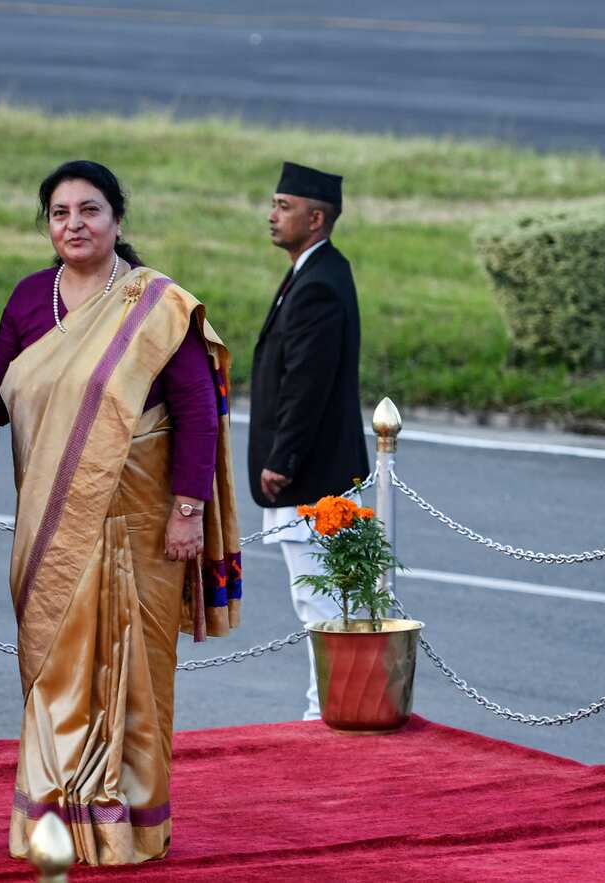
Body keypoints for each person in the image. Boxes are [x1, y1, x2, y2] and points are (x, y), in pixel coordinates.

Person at [0, 161, 243, 866]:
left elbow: (195, 409)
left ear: (117, 219)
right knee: (54, 660)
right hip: (53, 519)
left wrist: (187, 509)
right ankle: (54, 818)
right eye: (60, 213)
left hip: (142, 519)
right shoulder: (31, 299)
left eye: (89, 210)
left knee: (135, 669)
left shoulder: (154, 304)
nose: (74, 225)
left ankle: (130, 824)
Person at [248, 161, 368, 719]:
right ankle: (332, 702)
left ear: (316, 218)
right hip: (319, 474)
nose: (273, 215)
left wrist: (283, 458)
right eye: (273, 204)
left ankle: (328, 710)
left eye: (284, 206)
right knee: (327, 596)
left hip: (313, 478)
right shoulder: (315, 270)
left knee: (320, 596)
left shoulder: (318, 282)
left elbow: (307, 381)